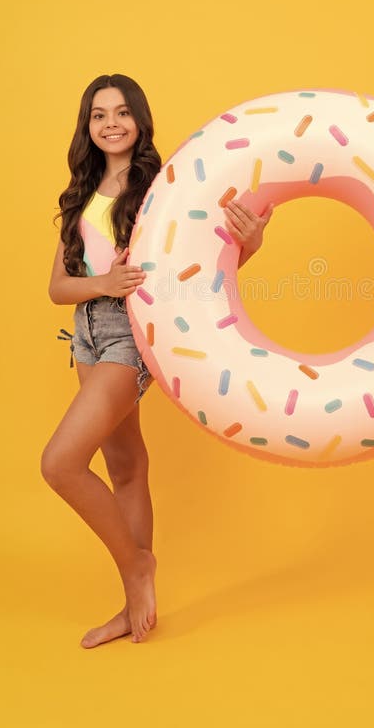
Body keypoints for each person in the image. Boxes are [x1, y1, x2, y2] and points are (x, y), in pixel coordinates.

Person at [42, 74, 273, 648]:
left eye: (122, 113)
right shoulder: (82, 191)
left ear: (140, 121)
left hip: (129, 334)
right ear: (87, 125)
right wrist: (102, 282)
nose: (111, 123)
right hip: (85, 335)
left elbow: (201, 269)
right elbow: (57, 288)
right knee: (124, 464)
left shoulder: (163, 187)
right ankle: (132, 606)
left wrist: (251, 243)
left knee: (60, 464)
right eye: (99, 115)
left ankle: (137, 566)